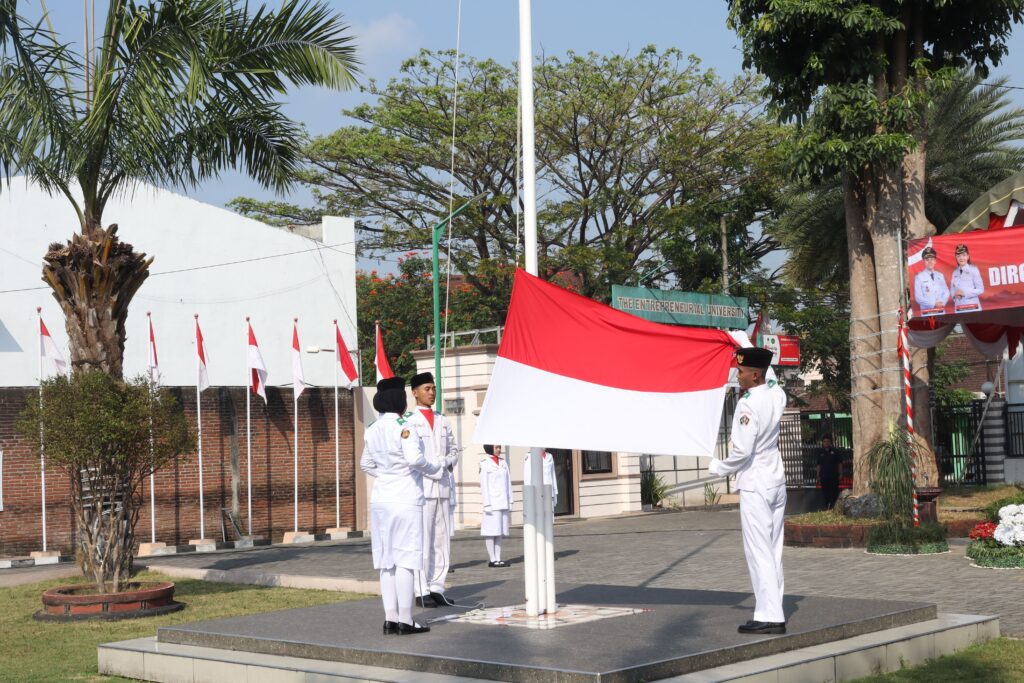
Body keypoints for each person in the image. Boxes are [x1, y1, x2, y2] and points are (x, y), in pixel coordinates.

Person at [709, 346, 788, 635]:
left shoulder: (748, 404)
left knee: (759, 551)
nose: (737, 375)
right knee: (773, 549)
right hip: (776, 482)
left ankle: (769, 616)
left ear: (755, 374)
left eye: (741, 372)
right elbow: (774, 378)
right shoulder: (776, 395)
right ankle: (774, 607)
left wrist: (717, 468)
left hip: (756, 484)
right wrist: (743, 340)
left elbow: (742, 452)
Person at [360, 376, 441, 636]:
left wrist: (386, 475)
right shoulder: (404, 426)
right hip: (405, 499)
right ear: (399, 401)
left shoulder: (371, 429)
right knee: (406, 559)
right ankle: (406, 620)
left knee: (386, 561)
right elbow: (414, 458)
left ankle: (390, 619)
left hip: (381, 499)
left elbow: (366, 464)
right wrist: (434, 469)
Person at [404, 371, 460, 608]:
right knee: (423, 540)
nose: (431, 392)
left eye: (433, 388)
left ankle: (437, 585)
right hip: (423, 488)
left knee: (441, 540)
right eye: (427, 388)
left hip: (443, 488)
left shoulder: (443, 420)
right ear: (414, 392)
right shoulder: (408, 420)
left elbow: (455, 450)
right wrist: (435, 468)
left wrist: (447, 461)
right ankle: (421, 589)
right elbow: (412, 458)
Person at [480, 444, 512, 567]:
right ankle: (492, 559)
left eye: (499, 447)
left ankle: (498, 558)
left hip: (503, 502)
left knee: (499, 532)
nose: (499, 449)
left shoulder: (503, 463)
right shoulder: (485, 464)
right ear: (490, 448)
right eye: (496, 447)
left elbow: (508, 483)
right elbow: (484, 485)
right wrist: (486, 504)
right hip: (492, 504)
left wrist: (510, 501)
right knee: (490, 532)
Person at [913, 246, 949, 314]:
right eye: (927, 260)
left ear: (935, 261)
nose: (930, 262)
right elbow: (918, 298)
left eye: (932, 259)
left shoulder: (940, 275)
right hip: (927, 312)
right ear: (923, 261)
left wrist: (942, 303)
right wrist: (934, 304)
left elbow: (946, 292)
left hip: (940, 311)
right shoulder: (919, 277)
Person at [950, 243, 984, 312]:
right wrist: (955, 296)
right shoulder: (955, 272)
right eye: (958, 256)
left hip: (972, 307)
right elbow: (952, 289)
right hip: (959, 307)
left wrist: (964, 293)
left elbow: (981, 289)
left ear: (968, 256)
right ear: (956, 257)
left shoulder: (974, 269)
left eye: (964, 255)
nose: (961, 258)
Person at [816, 435, 843, 510]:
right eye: (824, 441)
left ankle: (833, 507)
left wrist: (841, 474)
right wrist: (817, 476)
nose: (826, 443)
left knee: (834, 492)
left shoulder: (836, 451)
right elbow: (818, 465)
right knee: (825, 492)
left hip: (834, 476)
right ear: (822, 443)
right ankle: (827, 507)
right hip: (824, 476)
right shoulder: (820, 452)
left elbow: (839, 463)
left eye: (828, 441)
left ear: (830, 442)